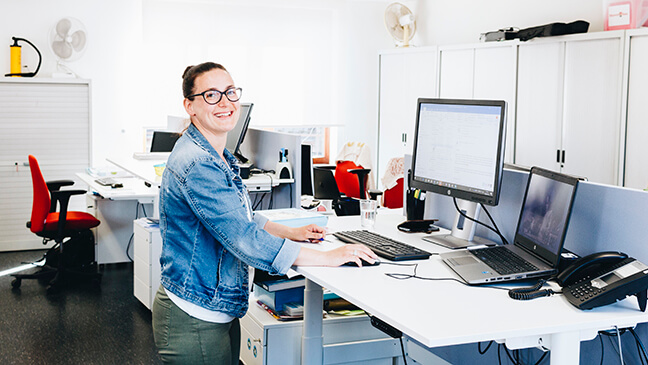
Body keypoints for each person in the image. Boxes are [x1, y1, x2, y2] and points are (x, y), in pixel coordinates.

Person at [151, 61, 377, 364]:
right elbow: (243, 238)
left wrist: (291, 232)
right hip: (195, 314)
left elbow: (237, 217)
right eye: (211, 95)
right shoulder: (199, 164)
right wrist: (329, 258)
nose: (226, 102)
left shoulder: (215, 155)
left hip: (209, 307)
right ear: (189, 106)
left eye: (230, 92)